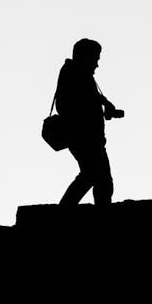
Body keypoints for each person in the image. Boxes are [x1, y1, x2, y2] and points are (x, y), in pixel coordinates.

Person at [56, 38, 124, 207]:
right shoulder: (72, 73)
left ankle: (99, 213)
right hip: (83, 138)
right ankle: (63, 212)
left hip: (92, 138)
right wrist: (102, 105)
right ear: (85, 56)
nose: (97, 64)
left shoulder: (81, 75)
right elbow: (72, 104)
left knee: (103, 181)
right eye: (95, 59)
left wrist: (105, 106)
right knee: (91, 175)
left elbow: (88, 100)